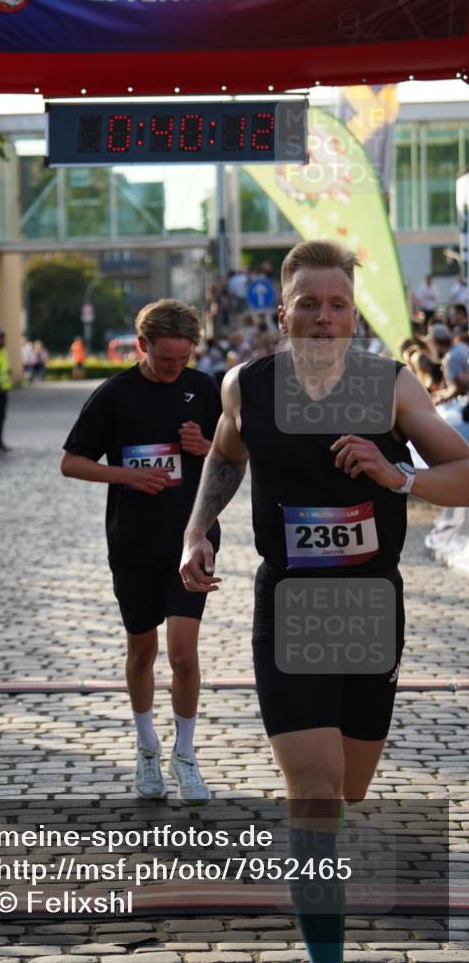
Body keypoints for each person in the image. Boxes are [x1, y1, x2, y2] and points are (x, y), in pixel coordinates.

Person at [180, 240, 469, 963]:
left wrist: (395, 475)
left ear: (351, 314)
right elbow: (224, 453)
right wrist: (196, 530)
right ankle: (325, 953)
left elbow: (462, 471)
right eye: (307, 302)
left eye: (336, 303)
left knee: (350, 786)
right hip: (290, 602)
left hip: (370, 603)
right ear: (282, 312)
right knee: (313, 789)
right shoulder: (245, 386)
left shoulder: (389, 386)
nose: (322, 316)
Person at [61, 300, 222, 804]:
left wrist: (207, 445)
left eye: (183, 358)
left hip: (191, 537)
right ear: (142, 345)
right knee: (142, 652)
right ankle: (147, 748)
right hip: (132, 539)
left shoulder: (207, 388)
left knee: (183, 652)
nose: (174, 368)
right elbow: (71, 462)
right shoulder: (114, 394)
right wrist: (126, 474)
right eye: (164, 359)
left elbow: (240, 454)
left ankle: (187, 755)